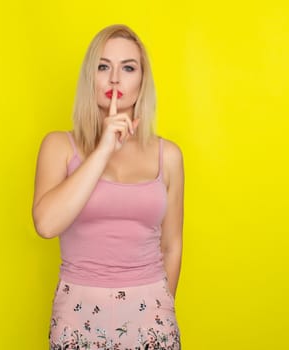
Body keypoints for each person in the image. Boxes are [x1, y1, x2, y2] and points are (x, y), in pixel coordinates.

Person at [32, 24, 184, 349]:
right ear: (91, 77)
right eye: (104, 67)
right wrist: (103, 150)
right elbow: (46, 225)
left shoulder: (167, 155)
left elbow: (172, 245)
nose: (115, 79)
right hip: (78, 315)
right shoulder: (59, 146)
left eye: (128, 68)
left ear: (142, 80)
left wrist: (160, 308)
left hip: (150, 317)